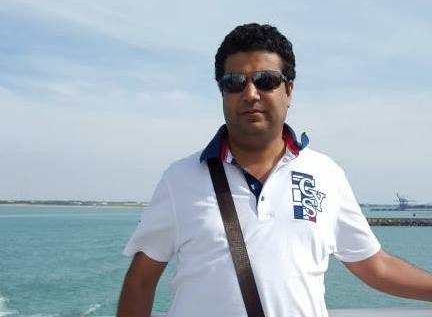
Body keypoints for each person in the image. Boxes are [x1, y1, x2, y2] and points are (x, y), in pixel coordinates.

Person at [117, 23, 432, 317]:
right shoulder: (180, 179)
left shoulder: (326, 175)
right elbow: (140, 281)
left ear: (289, 90)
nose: (250, 94)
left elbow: (376, 267)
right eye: (234, 82)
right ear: (222, 92)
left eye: (265, 81)